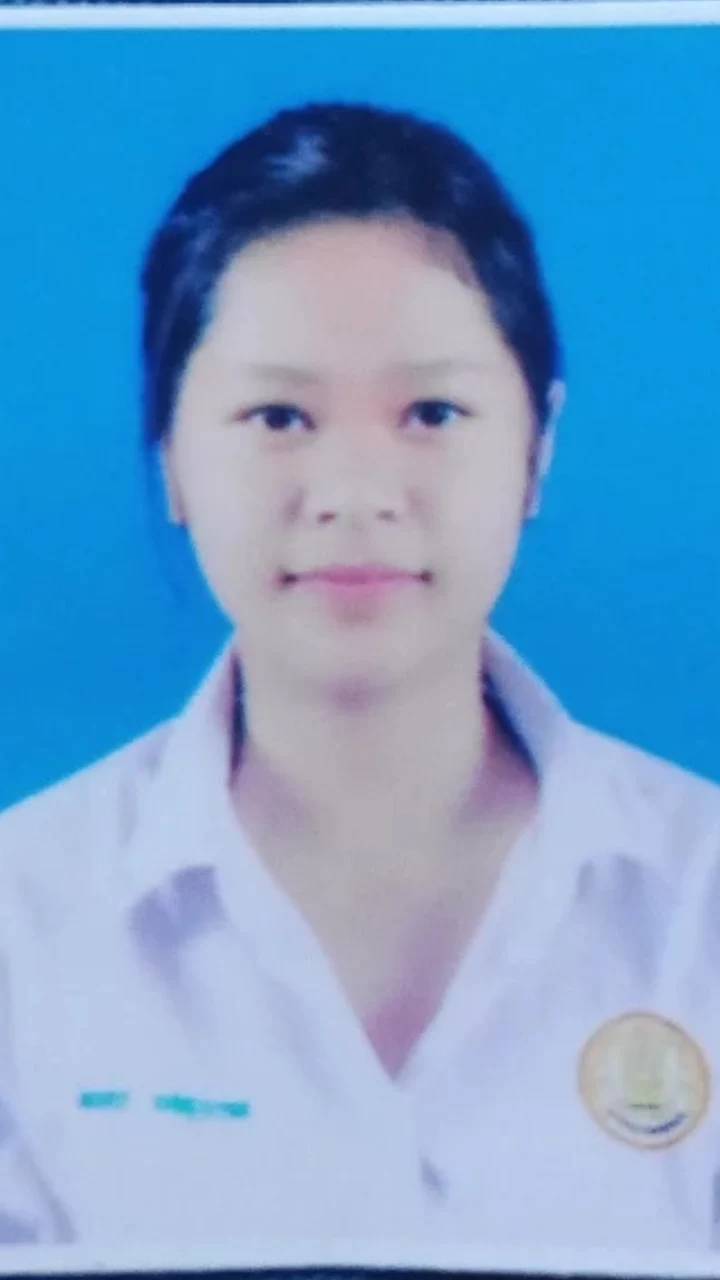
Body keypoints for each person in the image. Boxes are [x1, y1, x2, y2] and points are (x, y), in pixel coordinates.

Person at [0, 101, 718, 1258]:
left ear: (537, 447)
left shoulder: (699, 899)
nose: (353, 491)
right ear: (170, 454)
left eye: (433, 412)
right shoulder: (22, 921)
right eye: (278, 415)